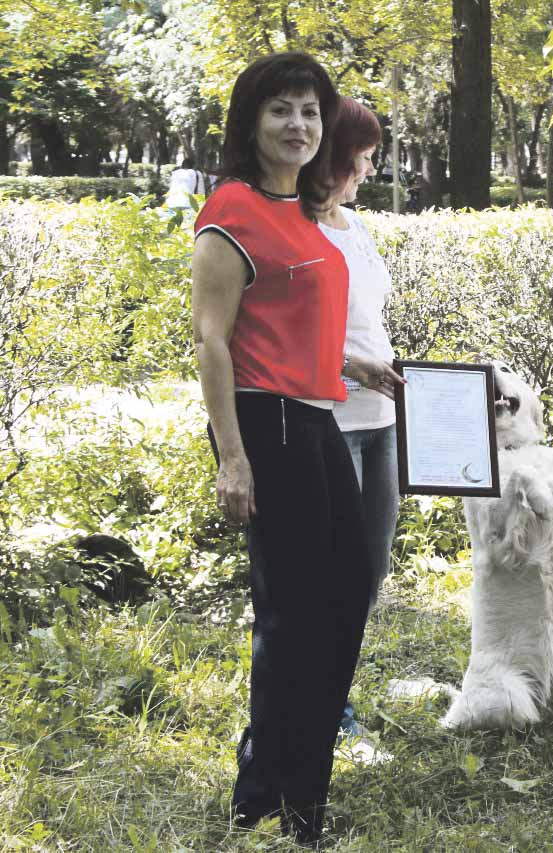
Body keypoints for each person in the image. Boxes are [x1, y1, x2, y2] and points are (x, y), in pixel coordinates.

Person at [190, 52, 392, 844]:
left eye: (310, 111)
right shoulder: (232, 209)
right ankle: (279, 798)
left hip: (316, 419)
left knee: (342, 598)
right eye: (281, 109)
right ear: (252, 121)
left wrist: (355, 362)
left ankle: (289, 785)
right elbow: (213, 339)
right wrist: (232, 458)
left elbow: (291, 322)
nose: (298, 125)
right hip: (266, 424)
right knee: (296, 613)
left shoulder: (304, 212)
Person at [315, 96, 405, 754]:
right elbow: (276, 338)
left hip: (382, 419)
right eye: (364, 157)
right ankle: (328, 713)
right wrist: (350, 366)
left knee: (369, 567)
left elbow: (368, 320)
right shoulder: (293, 228)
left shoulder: (355, 224)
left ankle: (335, 688)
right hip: (330, 418)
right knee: (331, 571)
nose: (369, 170)